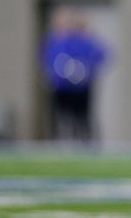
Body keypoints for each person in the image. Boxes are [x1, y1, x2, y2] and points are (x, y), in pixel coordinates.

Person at [41, 9, 109, 142]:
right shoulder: (54, 41)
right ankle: (60, 140)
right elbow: (47, 58)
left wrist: (87, 70)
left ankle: (85, 140)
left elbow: (101, 55)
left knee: (82, 116)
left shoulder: (84, 41)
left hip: (81, 87)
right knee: (60, 115)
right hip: (61, 87)